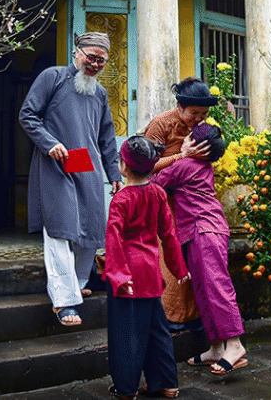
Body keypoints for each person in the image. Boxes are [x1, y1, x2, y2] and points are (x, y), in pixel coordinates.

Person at [19, 31, 123, 327]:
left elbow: (106, 136)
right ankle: (64, 301)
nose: (95, 65)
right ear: (76, 52)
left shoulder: (99, 93)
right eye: (91, 58)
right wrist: (48, 142)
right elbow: (28, 115)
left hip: (85, 163)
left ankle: (77, 282)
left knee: (91, 229)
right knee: (60, 228)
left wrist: (113, 172)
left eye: (101, 61)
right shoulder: (52, 77)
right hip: (56, 160)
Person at [151, 123, 248, 376]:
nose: (186, 140)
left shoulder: (185, 165)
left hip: (204, 232)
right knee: (203, 290)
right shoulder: (203, 165)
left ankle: (235, 345)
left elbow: (154, 181)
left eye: (190, 138)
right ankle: (216, 346)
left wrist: (181, 153)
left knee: (216, 287)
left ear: (197, 146)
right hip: (202, 232)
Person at [104, 136, 190, 400]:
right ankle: (166, 383)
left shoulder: (121, 200)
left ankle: (126, 388)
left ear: (124, 167)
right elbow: (169, 234)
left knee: (126, 333)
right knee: (157, 331)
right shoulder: (158, 194)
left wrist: (118, 276)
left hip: (128, 273)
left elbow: (114, 240)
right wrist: (179, 268)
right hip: (151, 271)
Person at [143, 77, 215, 331]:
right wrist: (181, 156)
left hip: (190, 201)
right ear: (180, 106)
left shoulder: (201, 127)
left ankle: (190, 315)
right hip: (161, 198)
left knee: (190, 257)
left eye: (203, 114)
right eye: (193, 113)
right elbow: (144, 165)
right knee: (168, 255)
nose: (198, 118)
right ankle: (169, 316)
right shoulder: (161, 124)